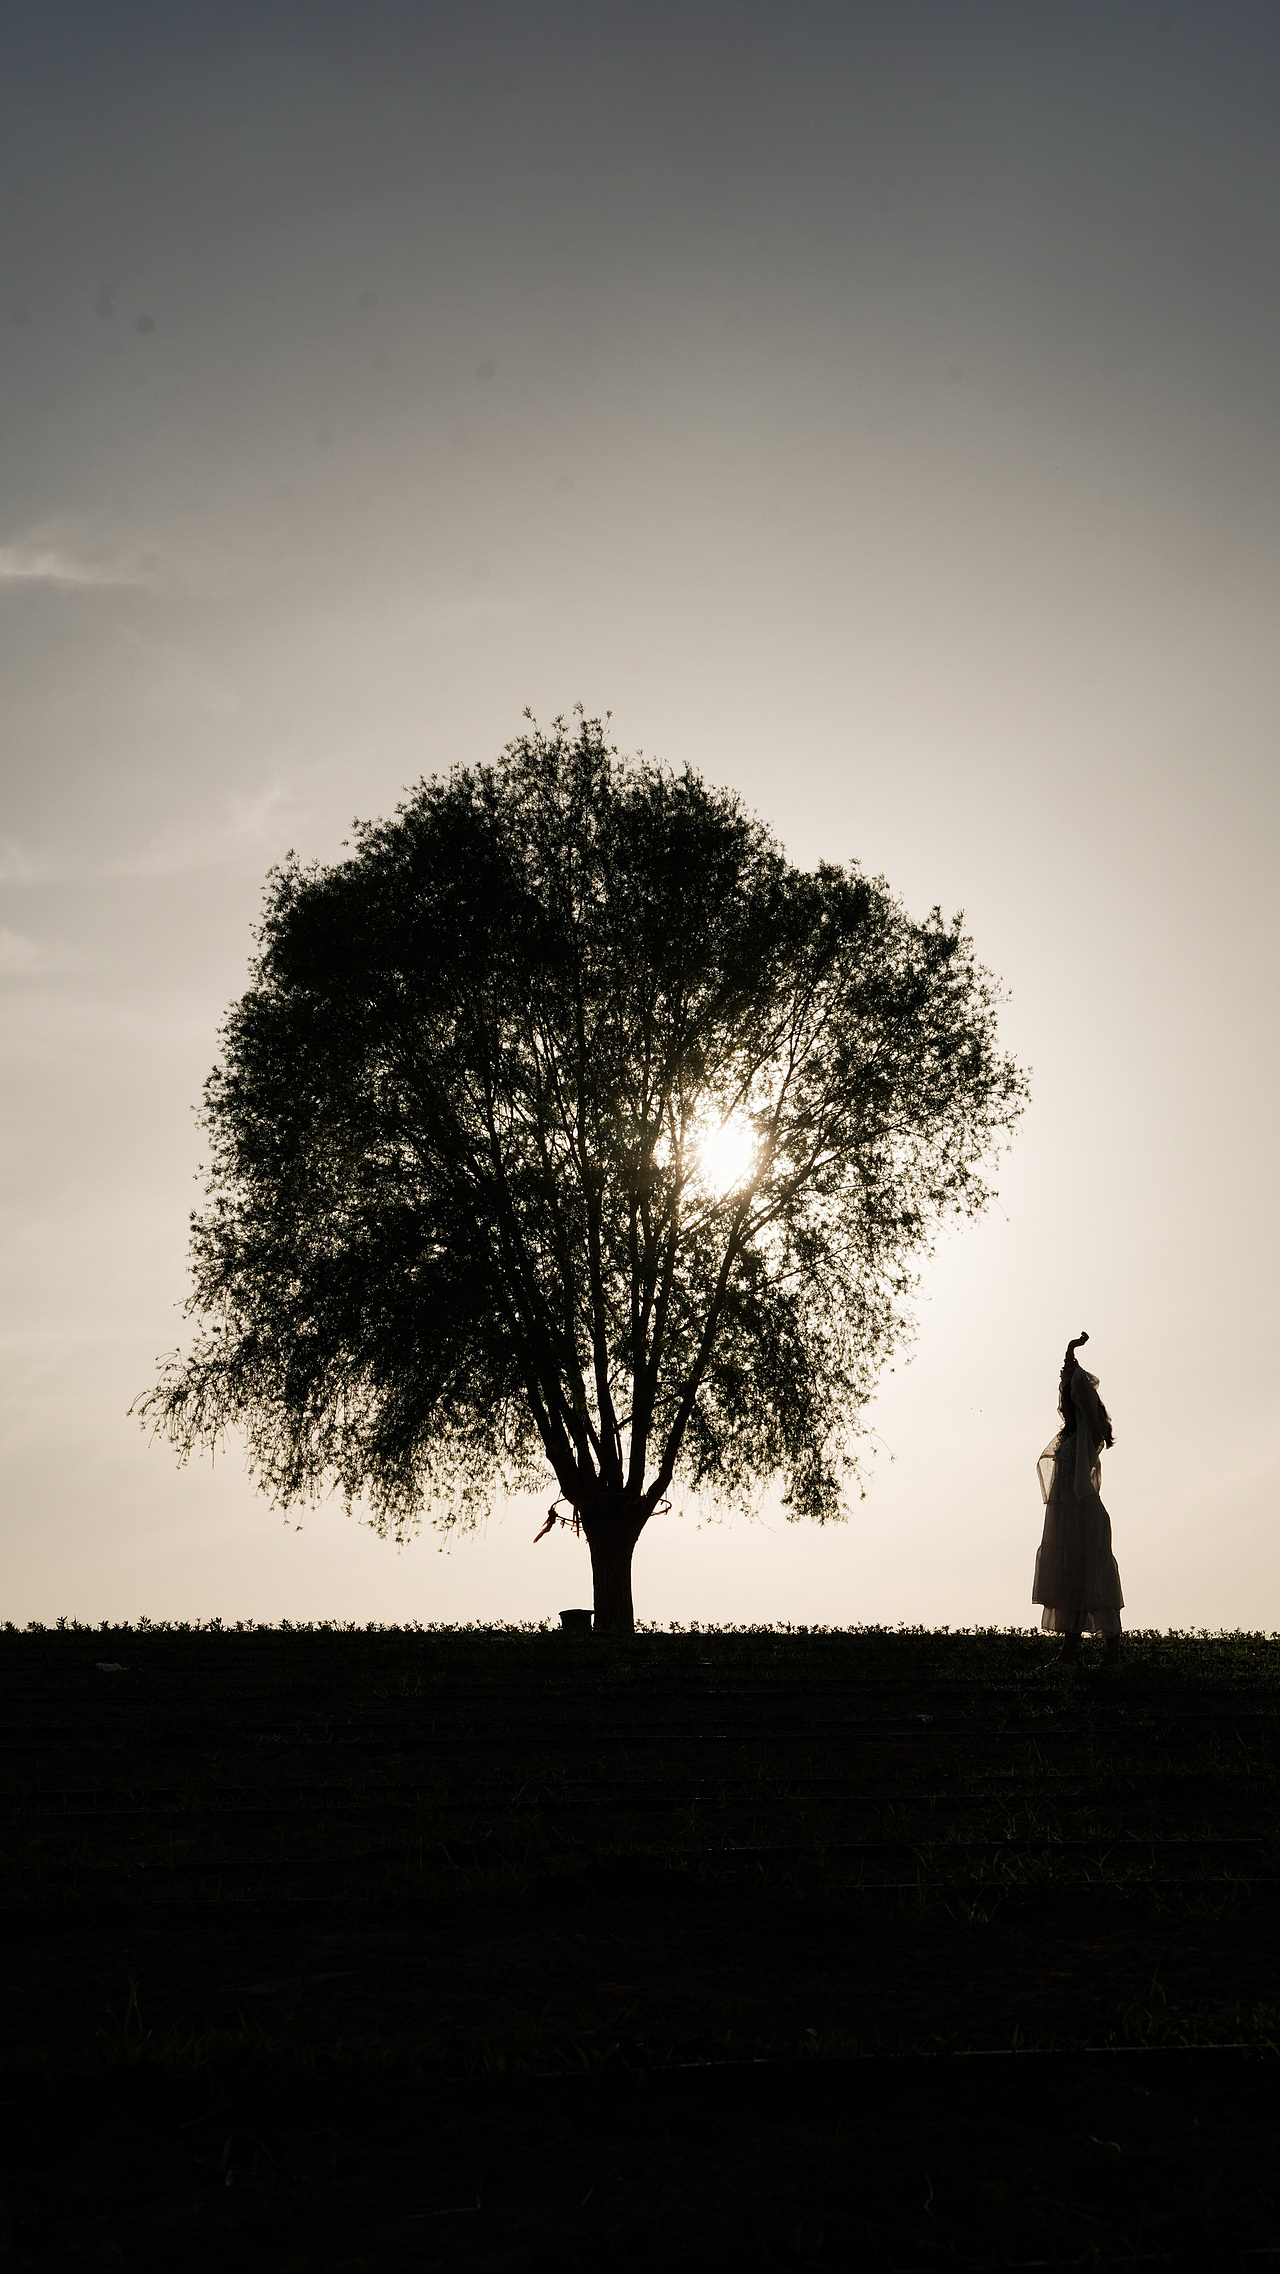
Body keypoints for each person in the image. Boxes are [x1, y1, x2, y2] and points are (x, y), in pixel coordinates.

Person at [1032, 1331, 1124, 1662]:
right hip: (1066, 1516)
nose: (1064, 1404)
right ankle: (1068, 1653)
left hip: (1083, 1513)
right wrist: (1067, 1359)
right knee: (1069, 1578)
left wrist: (1071, 1357)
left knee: (1093, 1578)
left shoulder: (1088, 1433)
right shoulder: (1069, 1437)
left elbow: (1080, 1391)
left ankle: (1112, 1655)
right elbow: (1069, 1388)